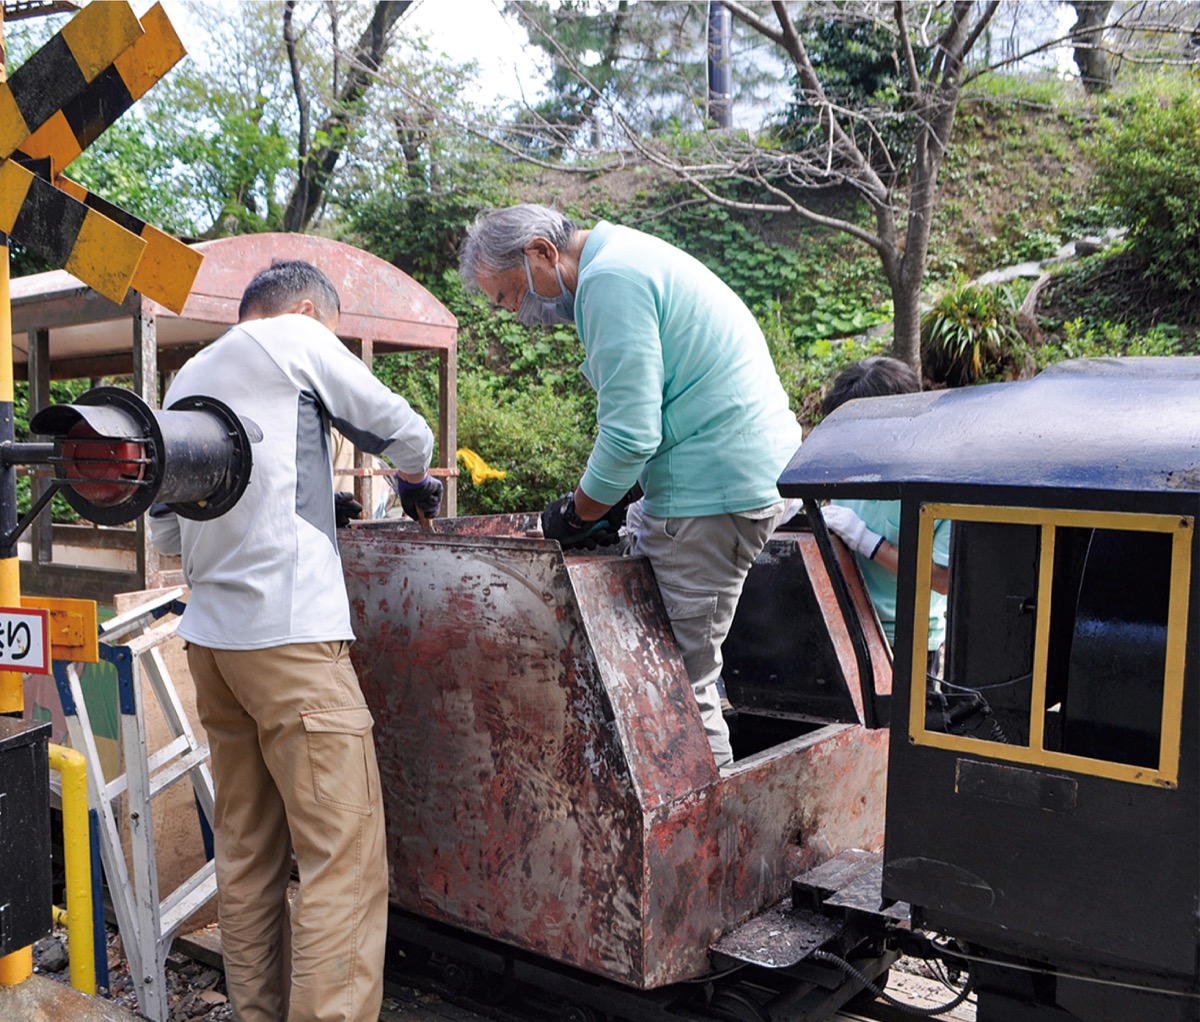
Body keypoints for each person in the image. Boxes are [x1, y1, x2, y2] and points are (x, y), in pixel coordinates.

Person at [148, 260, 442, 1022]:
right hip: (292, 645)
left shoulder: (187, 379)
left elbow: (166, 527)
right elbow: (408, 432)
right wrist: (412, 483)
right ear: (309, 310)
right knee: (340, 861)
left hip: (214, 647)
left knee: (247, 856)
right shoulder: (296, 339)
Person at [459, 204, 804, 770]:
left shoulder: (609, 279)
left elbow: (628, 435)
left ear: (542, 252)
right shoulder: (628, 256)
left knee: (678, 688)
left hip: (708, 493)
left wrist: (574, 514)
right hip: (731, 476)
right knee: (684, 677)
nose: (519, 313)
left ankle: (701, 846)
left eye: (511, 296)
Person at [819, 356, 950, 677]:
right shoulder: (848, 467)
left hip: (908, 638)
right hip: (849, 626)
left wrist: (867, 541)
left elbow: (943, 580)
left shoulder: (938, 482)